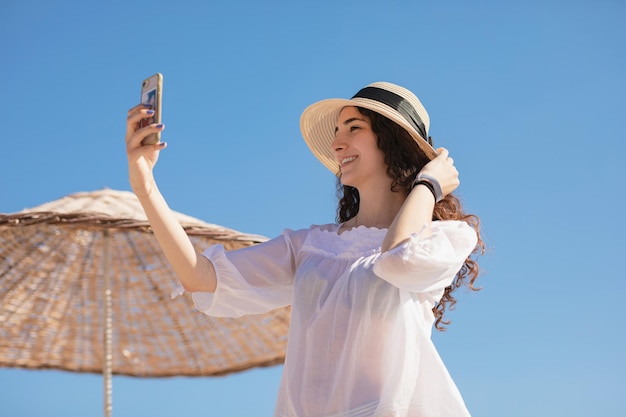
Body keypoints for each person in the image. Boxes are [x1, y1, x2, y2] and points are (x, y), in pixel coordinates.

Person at [125, 81, 484, 417]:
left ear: (393, 141)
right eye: (336, 132)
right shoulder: (311, 246)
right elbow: (200, 277)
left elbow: (399, 258)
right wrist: (145, 185)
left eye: (353, 128)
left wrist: (427, 186)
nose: (338, 143)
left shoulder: (445, 238)